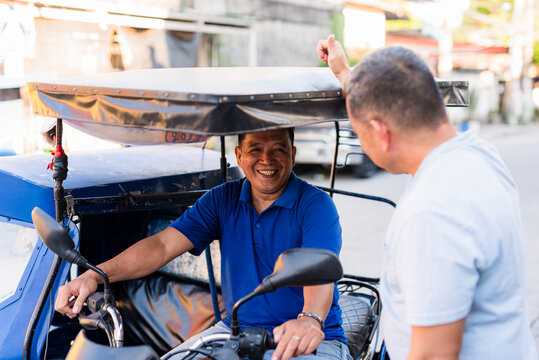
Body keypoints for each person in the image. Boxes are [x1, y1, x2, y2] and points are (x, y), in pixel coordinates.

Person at [317, 35, 538, 359]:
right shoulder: (478, 154)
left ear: (379, 132)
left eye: (359, 131)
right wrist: (345, 73)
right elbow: (392, 96)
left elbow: (433, 354)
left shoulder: (432, 213)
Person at [55, 128, 351, 360]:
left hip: (308, 335)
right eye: (255, 149)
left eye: (278, 150)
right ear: (238, 154)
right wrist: (94, 276)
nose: (267, 160)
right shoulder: (222, 199)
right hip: (236, 330)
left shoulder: (316, 205)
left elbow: (318, 273)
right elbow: (161, 246)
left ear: (293, 154)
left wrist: (310, 319)